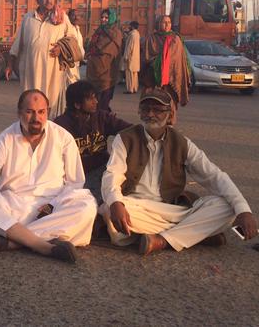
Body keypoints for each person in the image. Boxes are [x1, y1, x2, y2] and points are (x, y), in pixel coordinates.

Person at [100, 88, 257, 255]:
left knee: (227, 207)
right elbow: (112, 174)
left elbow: (214, 176)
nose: (151, 114)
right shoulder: (125, 138)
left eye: (158, 110)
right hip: (137, 207)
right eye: (146, 109)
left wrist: (244, 210)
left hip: (171, 210)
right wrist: (117, 203)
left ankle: (162, 240)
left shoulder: (182, 143)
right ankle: (197, 233)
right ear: (139, 111)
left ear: (169, 114)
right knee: (110, 210)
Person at [0, 90, 97, 263]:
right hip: (11, 208)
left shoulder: (63, 137)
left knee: (86, 204)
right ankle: (44, 245)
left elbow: (75, 183)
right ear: (19, 113)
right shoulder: (7, 138)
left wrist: (52, 205)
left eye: (41, 112)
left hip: (50, 210)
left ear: (47, 112)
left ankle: (13, 242)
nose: (36, 118)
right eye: (30, 112)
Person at [5, 0, 80, 118]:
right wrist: (10, 65)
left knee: (51, 103)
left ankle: (48, 129)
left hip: (53, 72)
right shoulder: (28, 18)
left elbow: (74, 39)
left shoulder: (61, 18)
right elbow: (18, 44)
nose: (49, 1)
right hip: (31, 71)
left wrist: (61, 47)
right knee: (30, 103)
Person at [54, 81, 131, 203]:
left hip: (103, 169)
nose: (96, 102)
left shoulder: (102, 117)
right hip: (77, 177)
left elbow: (130, 130)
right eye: (90, 99)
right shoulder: (60, 126)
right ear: (77, 104)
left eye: (95, 97)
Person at [141, 15, 191, 120]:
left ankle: (169, 123)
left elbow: (177, 59)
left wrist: (164, 64)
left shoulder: (175, 39)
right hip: (153, 78)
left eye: (169, 22)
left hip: (171, 78)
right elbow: (146, 56)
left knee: (169, 102)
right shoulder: (152, 38)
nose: (167, 24)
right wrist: (157, 64)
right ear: (158, 24)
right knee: (153, 103)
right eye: (164, 22)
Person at [85, 9, 123, 112]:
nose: (103, 20)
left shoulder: (116, 33)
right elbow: (91, 47)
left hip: (107, 73)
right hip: (94, 71)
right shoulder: (99, 31)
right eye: (102, 17)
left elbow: (111, 51)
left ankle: (103, 123)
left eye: (106, 17)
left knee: (103, 102)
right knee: (94, 102)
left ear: (112, 18)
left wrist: (97, 51)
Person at [66, 10, 85, 84]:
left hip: (77, 62)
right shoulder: (67, 28)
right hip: (69, 62)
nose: (76, 18)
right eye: (73, 15)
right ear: (69, 17)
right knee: (70, 82)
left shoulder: (77, 28)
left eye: (78, 15)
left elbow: (80, 46)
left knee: (75, 81)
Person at [123, 21, 140, 94]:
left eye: (130, 26)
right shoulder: (137, 34)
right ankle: (135, 88)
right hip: (136, 57)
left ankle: (130, 89)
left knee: (129, 74)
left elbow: (129, 47)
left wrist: (125, 56)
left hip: (130, 57)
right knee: (135, 74)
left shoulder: (132, 35)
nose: (129, 27)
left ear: (132, 26)